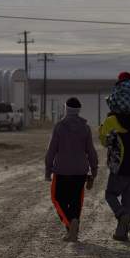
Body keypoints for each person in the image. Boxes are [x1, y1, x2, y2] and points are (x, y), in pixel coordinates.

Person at [99, 72, 130, 242]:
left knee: (110, 195)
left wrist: (102, 128)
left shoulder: (111, 121)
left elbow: (104, 142)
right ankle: (122, 233)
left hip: (118, 167)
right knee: (129, 201)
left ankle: (121, 215)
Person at [44, 97, 98, 243]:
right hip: (80, 172)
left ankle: (70, 224)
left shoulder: (59, 126)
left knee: (57, 199)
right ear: (78, 110)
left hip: (61, 171)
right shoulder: (85, 128)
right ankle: (72, 229)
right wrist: (94, 170)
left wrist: (48, 171)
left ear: (66, 109)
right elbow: (91, 151)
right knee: (75, 202)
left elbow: (51, 150)